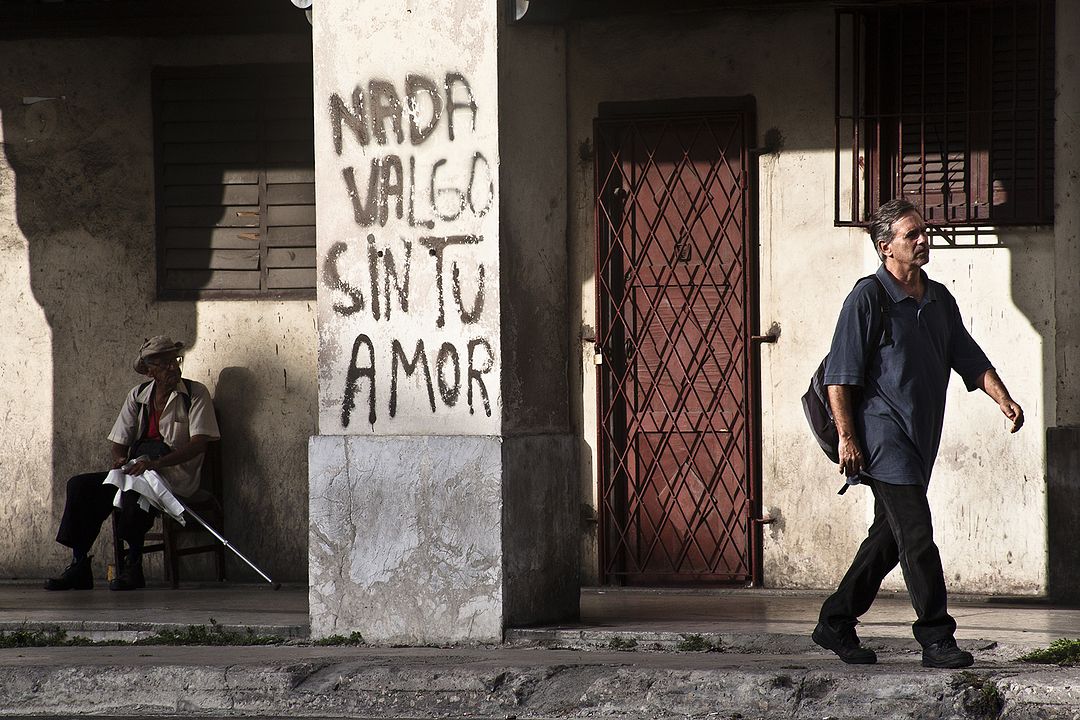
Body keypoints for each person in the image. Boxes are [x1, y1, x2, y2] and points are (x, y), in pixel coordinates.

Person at [813, 199, 1024, 669]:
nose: (923, 239)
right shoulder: (868, 298)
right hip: (881, 437)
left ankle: (835, 620)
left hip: (919, 437)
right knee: (917, 534)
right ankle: (936, 637)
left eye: (923, 231)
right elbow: (840, 377)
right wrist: (848, 438)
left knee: (888, 538)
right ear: (886, 247)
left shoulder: (938, 298)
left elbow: (967, 356)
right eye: (913, 234)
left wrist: (1003, 399)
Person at [44, 335, 220, 592]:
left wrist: (156, 464)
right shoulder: (137, 396)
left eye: (175, 360)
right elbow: (119, 441)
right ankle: (79, 564)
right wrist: (120, 460)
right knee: (80, 486)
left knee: (137, 493)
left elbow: (198, 444)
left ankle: (133, 564)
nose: (173, 367)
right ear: (149, 371)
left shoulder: (194, 393)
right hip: (138, 468)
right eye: (164, 364)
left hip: (174, 474)